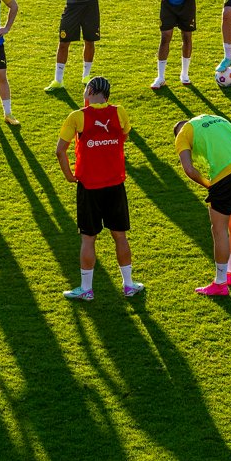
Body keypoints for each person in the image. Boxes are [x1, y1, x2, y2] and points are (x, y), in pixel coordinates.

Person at [56, 77, 142, 300]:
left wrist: (69, 175)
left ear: (90, 90)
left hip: (89, 187)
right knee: (120, 236)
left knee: (88, 238)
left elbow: (60, 150)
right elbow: (124, 136)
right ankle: (129, 285)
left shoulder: (77, 117)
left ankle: (86, 289)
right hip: (115, 184)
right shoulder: (119, 111)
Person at [172, 114, 231, 296]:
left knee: (219, 229)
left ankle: (220, 283)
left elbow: (189, 170)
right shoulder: (212, 119)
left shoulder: (182, 134)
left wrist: (210, 185)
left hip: (225, 175)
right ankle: (230, 272)